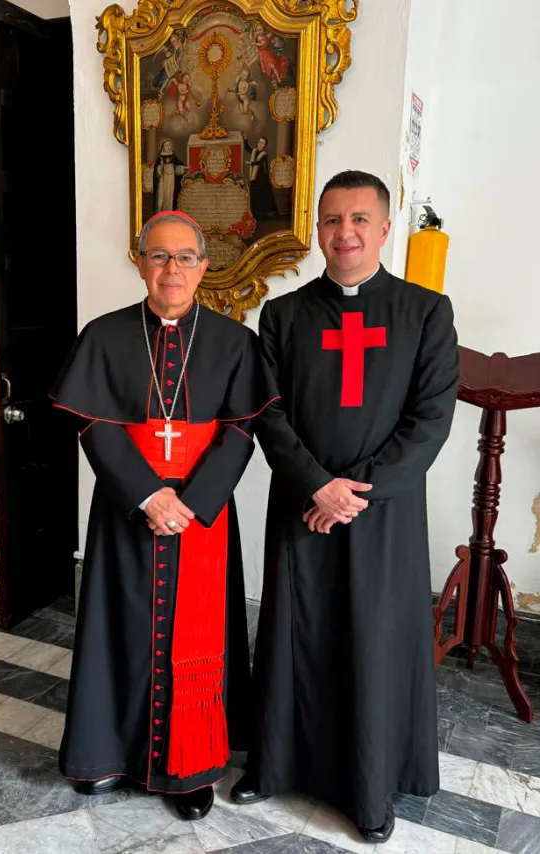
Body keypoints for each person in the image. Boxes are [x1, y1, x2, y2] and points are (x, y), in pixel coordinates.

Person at [232, 171, 459, 843]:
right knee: (293, 636)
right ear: (318, 232)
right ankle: (271, 766)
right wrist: (316, 486)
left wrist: (354, 493)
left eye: (359, 219)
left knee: (372, 642)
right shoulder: (284, 315)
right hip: (303, 508)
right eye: (332, 220)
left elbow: (430, 422)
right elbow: (269, 415)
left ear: (385, 229)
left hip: (382, 517)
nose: (345, 233)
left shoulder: (425, 313)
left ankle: (369, 789)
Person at [51, 210, 278, 821]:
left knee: (196, 639)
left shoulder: (235, 342)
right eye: (158, 256)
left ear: (204, 266)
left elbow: (240, 430)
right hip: (129, 509)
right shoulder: (105, 334)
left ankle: (191, 770)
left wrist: (193, 504)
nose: (170, 269)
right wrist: (149, 495)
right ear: (140, 263)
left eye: (183, 257)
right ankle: (109, 756)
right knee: (117, 630)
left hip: (200, 517)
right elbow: (94, 422)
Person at [242, 134, 278, 222]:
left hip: (262, 179)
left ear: (265, 146)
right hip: (255, 178)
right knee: (254, 196)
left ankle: (261, 217)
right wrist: (245, 139)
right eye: (259, 142)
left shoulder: (264, 154)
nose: (259, 144)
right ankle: (255, 215)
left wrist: (250, 163)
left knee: (261, 197)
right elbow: (247, 149)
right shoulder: (254, 151)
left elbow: (259, 163)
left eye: (262, 143)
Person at [153, 140, 186, 213]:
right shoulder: (160, 158)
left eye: (169, 145)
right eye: (167, 146)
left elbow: (177, 168)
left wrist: (182, 168)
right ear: (163, 147)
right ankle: (160, 213)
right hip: (163, 180)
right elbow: (157, 172)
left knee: (170, 196)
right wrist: (160, 168)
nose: (169, 147)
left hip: (171, 179)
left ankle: (169, 212)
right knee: (161, 196)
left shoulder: (173, 157)